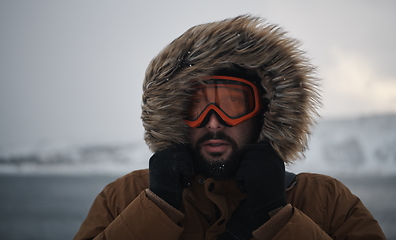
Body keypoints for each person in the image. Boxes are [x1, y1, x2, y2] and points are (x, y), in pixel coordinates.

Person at [73, 15, 386, 240]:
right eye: (195, 105)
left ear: (263, 111)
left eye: (233, 104)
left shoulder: (325, 202)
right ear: (174, 115)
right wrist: (156, 211)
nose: (212, 120)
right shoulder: (123, 198)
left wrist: (277, 218)